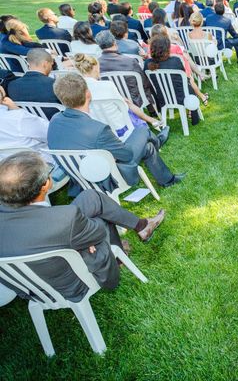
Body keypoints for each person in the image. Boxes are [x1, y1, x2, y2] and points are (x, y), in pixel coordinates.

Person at [0, 151, 167, 301]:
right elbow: (99, 232)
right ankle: (116, 260)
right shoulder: (66, 218)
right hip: (75, 284)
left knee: (91, 198)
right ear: (45, 185)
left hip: (30, 286)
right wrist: (85, 238)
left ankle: (141, 226)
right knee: (101, 221)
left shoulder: (64, 218)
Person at [49, 73, 184, 191]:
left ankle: (167, 179)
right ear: (88, 94)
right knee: (142, 131)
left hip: (80, 178)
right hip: (107, 178)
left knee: (148, 147)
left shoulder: (54, 121)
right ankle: (157, 142)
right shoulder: (98, 129)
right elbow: (127, 155)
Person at [74, 53, 165, 137]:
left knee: (125, 102)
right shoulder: (106, 85)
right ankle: (152, 124)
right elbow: (124, 107)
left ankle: (151, 121)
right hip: (119, 128)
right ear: (94, 67)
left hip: (97, 130)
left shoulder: (76, 89)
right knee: (128, 105)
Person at [145, 35, 202, 125]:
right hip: (182, 96)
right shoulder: (175, 60)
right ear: (167, 48)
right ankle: (194, 116)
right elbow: (184, 77)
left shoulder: (147, 63)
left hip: (161, 97)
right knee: (188, 84)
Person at [96, 31, 155, 109]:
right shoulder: (129, 61)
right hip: (134, 98)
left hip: (114, 99)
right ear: (114, 42)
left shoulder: (97, 64)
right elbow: (144, 82)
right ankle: (152, 110)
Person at [7, 49, 60, 119]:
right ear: (45, 64)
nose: (51, 68)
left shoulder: (12, 85)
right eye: (51, 65)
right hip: (53, 124)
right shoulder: (56, 85)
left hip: (26, 125)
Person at [0, 86, 50, 157]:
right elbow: (51, 133)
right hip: (37, 164)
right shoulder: (19, 117)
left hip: (4, 165)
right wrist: (17, 109)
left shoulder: (18, 117)